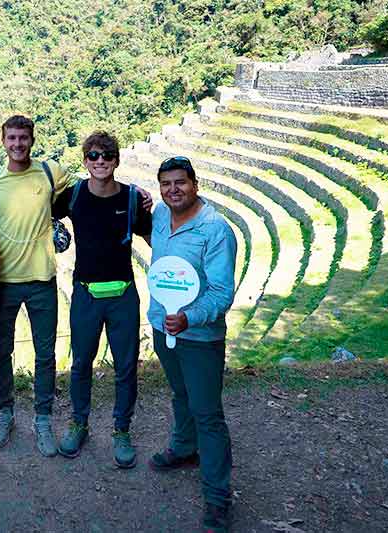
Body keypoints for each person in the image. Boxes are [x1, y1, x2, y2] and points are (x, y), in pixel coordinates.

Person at [0, 115, 76, 457]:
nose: (17, 144)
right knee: (2, 351)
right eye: (12, 138)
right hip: (5, 280)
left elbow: (87, 189)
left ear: (32, 139)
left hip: (42, 278)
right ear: (3, 140)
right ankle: (5, 411)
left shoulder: (49, 172)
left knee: (46, 354)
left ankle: (42, 419)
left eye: (23, 138)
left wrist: (137, 196)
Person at [147, 156, 237, 533]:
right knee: (180, 394)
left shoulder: (215, 230)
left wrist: (189, 317)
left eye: (180, 182)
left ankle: (218, 498)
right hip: (162, 326)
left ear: (195, 183)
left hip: (199, 337)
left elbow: (221, 293)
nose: (173, 190)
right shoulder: (159, 218)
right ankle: (184, 448)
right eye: (166, 184)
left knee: (208, 413)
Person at [52, 131, 152, 468]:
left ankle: (121, 430)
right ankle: (79, 424)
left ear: (116, 160)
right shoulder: (74, 195)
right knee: (81, 363)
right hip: (85, 292)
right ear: (85, 160)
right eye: (93, 156)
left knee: (126, 366)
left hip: (123, 292)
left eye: (107, 155)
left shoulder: (131, 199)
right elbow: (40, 207)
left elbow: (152, 236)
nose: (100, 161)